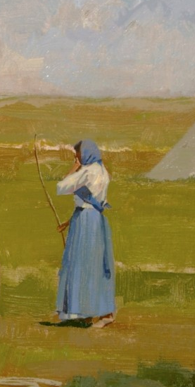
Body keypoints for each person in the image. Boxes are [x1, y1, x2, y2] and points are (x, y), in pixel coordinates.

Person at [55, 139, 115, 328]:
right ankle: (93, 313)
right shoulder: (102, 171)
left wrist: (73, 169)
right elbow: (92, 201)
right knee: (95, 265)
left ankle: (96, 313)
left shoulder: (88, 172)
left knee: (85, 266)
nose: (76, 157)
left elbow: (61, 187)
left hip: (86, 224)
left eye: (78, 153)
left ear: (86, 153)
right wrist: (68, 221)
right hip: (95, 221)